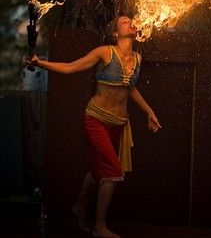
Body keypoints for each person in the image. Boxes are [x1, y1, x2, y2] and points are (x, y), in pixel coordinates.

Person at [25, 15, 161, 238]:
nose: (131, 22)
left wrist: (149, 112)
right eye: (124, 21)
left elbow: (130, 89)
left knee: (98, 172)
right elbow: (71, 67)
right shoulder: (105, 52)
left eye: (131, 20)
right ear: (116, 33)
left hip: (118, 124)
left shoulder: (137, 58)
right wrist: (40, 63)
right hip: (96, 119)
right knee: (112, 172)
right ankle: (99, 226)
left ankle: (79, 207)